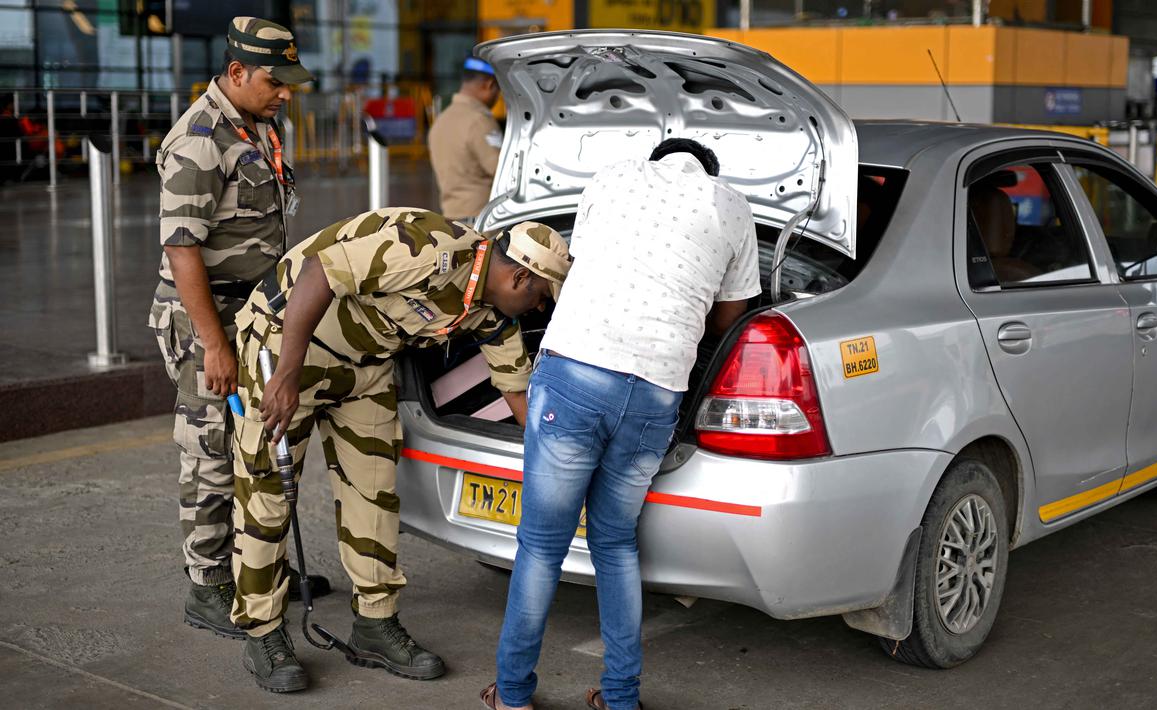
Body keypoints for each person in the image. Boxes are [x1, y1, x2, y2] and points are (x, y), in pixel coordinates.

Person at [229, 208, 572, 693]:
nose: (540, 308)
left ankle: (374, 622)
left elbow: (519, 396)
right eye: (540, 296)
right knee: (267, 493)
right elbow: (319, 271)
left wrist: (557, 470)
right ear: (519, 277)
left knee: (375, 492)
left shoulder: (492, 313)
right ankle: (263, 632)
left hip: (364, 367)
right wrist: (285, 374)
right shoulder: (432, 249)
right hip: (287, 347)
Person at [483, 138, 761, 710]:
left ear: (657, 160)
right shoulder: (732, 207)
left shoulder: (612, 178)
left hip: (575, 374)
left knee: (540, 546)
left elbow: (588, 264)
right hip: (657, 390)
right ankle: (620, 697)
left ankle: (511, 695)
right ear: (709, 173)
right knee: (614, 543)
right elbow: (731, 316)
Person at [149, 16, 325, 642]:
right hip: (208, 320)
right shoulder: (199, 139)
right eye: (276, 83)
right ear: (237, 73)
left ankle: (254, 573)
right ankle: (206, 586)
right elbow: (182, 250)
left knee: (248, 444)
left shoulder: (258, 126)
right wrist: (214, 343)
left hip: (251, 312)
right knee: (210, 453)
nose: (285, 94)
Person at [427, 57, 503, 223]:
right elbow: (501, 171)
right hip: (481, 221)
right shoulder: (479, 121)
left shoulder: (441, 121)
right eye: (498, 91)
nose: (498, 98)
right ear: (489, 85)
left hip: (450, 219)